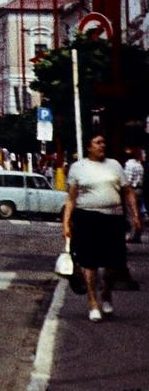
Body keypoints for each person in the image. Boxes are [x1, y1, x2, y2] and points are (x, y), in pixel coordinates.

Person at [63, 134, 143, 322]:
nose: (102, 145)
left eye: (104, 142)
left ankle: (106, 293)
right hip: (87, 217)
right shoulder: (78, 168)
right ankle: (93, 303)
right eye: (97, 143)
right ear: (89, 147)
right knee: (89, 262)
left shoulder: (114, 165)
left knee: (113, 263)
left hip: (113, 218)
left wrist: (136, 216)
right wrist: (66, 223)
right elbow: (71, 198)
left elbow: (128, 192)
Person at [124, 148, 145, 243]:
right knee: (137, 212)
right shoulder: (137, 164)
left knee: (132, 212)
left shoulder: (130, 164)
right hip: (137, 189)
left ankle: (133, 234)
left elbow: (128, 180)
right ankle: (137, 234)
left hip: (133, 190)